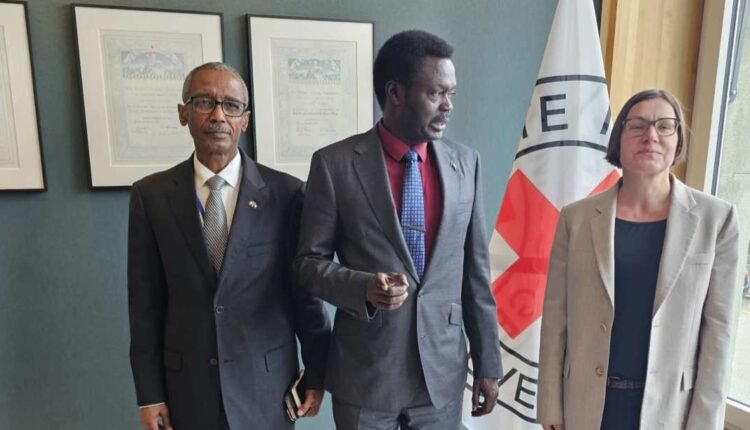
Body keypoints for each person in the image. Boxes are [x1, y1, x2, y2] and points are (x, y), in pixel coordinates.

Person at [294, 30, 502, 430]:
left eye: (451, 93)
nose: (448, 106)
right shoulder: (335, 165)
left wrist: (488, 363)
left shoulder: (466, 164)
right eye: (436, 93)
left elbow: (475, 273)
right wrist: (363, 288)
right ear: (395, 93)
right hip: (366, 378)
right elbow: (308, 265)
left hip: (440, 379)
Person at [127, 62, 331, 430]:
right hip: (187, 388)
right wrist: (150, 394)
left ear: (245, 120)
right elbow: (144, 304)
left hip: (266, 385)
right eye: (204, 102)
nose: (218, 115)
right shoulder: (151, 196)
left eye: (231, 106)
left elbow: (304, 293)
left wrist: (317, 372)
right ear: (183, 113)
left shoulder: (286, 194)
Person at [538, 89, 740, 429]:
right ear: (619, 139)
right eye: (638, 125)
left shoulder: (717, 221)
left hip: (671, 412)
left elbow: (719, 335)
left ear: (678, 139)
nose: (651, 135)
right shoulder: (577, 218)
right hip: (585, 406)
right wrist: (550, 408)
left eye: (664, 126)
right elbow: (556, 319)